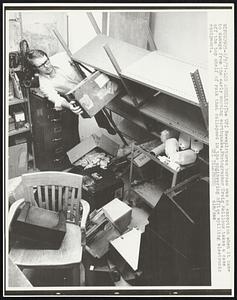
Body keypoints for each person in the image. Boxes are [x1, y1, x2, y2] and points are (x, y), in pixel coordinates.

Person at [25, 49, 116, 149]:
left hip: (89, 83)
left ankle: (107, 125)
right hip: (77, 96)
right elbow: (55, 98)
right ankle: (85, 142)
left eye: (46, 61)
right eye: (41, 66)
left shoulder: (62, 57)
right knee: (82, 116)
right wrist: (69, 106)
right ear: (35, 68)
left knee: (106, 103)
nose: (46, 66)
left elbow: (82, 58)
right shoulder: (43, 82)